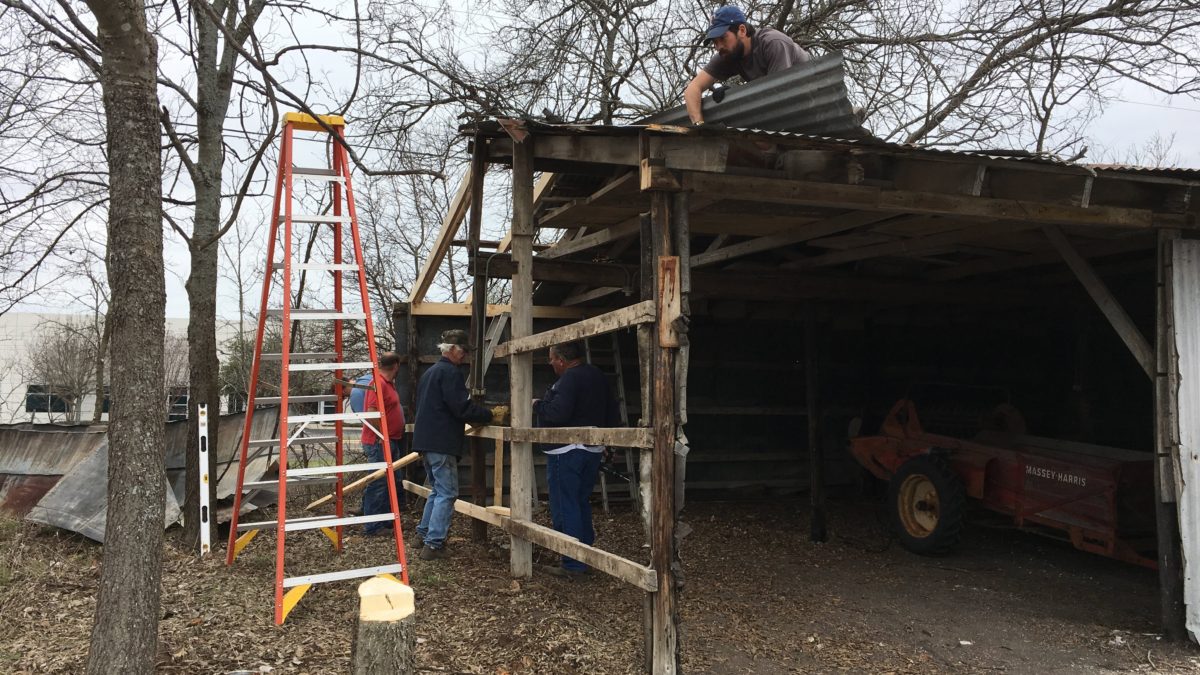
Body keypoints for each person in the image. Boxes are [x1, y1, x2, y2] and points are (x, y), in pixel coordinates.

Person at [533, 341, 620, 578]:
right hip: (591, 449)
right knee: (580, 501)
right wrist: (608, 443)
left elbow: (558, 413)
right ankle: (585, 554)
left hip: (567, 450)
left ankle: (572, 563)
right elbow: (612, 410)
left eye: (551, 359)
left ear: (561, 360)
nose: (550, 363)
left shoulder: (569, 379)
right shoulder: (597, 375)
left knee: (565, 503)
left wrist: (539, 405)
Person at [412, 329, 493, 560]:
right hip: (442, 441)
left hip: (426, 441)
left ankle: (423, 535)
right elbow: (461, 407)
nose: (466, 356)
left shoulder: (430, 373)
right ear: (453, 350)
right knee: (447, 494)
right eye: (464, 351)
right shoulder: (450, 373)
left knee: (437, 491)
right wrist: (488, 415)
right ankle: (434, 545)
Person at [684, 5, 811, 126]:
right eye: (715, 42)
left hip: (811, 104)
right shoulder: (727, 54)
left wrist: (739, 94)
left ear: (742, 30)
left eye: (723, 38)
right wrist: (699, 125)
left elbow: (777, 96)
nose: (719, 47)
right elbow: (692, 89)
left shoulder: (772, 43)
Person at [360, 351, 406, 535]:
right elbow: (372, 411)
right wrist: (381, 435)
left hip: (389, 440)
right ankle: (372, 526)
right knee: (378, 482)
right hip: (378, 441)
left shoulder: (387, 384)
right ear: (396, 366)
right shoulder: (378, 383)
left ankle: (384, 520)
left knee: (389, 482)